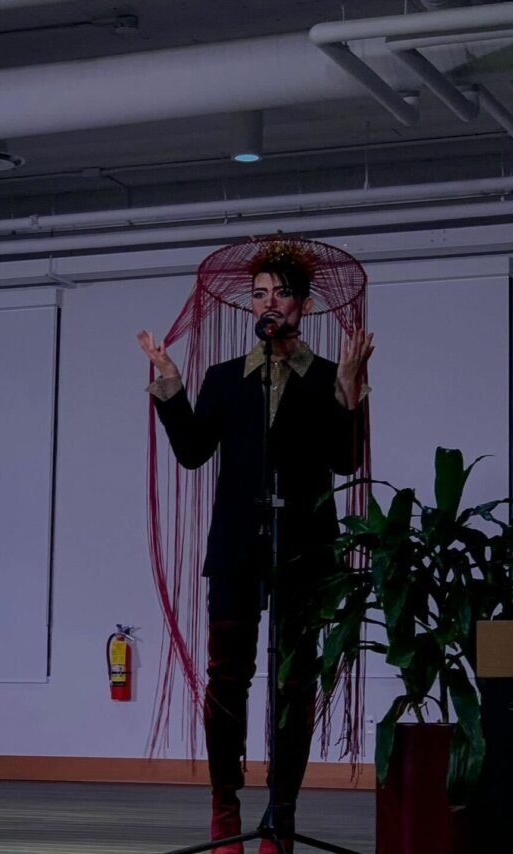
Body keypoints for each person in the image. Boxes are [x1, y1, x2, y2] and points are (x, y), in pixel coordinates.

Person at [137, 244, 373, 854]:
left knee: (294, 684)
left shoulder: (325, 375)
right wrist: (170, 394)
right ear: (251, 306)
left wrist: (350, 397)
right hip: (238, 549)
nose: (270, 304)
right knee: (227, 679)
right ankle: (223, 807)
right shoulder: (223, 378)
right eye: (260, 294)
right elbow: (193, 452)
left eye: (282, 294)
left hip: (305, 551)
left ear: (305, 305)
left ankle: (282, 814)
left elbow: (346, 461)